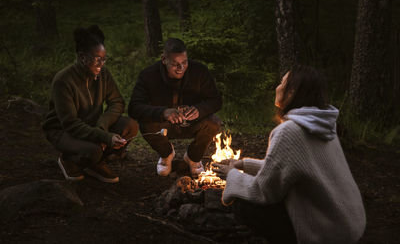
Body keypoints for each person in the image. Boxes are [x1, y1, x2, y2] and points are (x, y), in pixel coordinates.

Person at [213, 66, 366, 244]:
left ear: (291, 91)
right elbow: (292, 167)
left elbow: (265, 190)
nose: (278, 87)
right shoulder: (322, 124)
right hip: (349, 224)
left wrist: (231, 175)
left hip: (327, 234)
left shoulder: (290, 131)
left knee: (244, 203)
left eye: (282, 83)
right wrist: (243, 164)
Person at [43, 25, 138, 183]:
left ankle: (94, 163)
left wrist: (102, 127)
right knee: (93, 151)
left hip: (92, 125)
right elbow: (70, 123)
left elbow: (117, 102)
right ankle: (69, 160)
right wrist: (104, 136)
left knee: (130, 126)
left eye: (104, 58)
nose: (102, 63)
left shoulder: (103, 74)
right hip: (63, 131)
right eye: (97, 58)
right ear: (82, 57)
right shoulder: (63, 81)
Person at [128, 38, 222, 177]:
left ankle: (193, 157)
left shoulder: (199, 71)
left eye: (184, 62)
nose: (181, 68)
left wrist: (199, 110)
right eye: (175, 64)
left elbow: (216, 100)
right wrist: (163, 112)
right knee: (146, 125)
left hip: (192, 122)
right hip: (163, 126)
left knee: (214, 123)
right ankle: (166, 154)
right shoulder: (148, 75)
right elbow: (134, 107)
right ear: (164, 59)